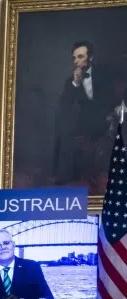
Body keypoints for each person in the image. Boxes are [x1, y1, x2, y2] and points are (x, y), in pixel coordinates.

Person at [53, 41, 121, 191]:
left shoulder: (105, 77)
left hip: (106, 133)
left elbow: (114, 100)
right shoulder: (70, 83)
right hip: (82, 137)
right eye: (74, 57)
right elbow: (63, 107)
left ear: (91, 58)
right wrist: (75, 83)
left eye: (80, 56)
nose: (76, 61)